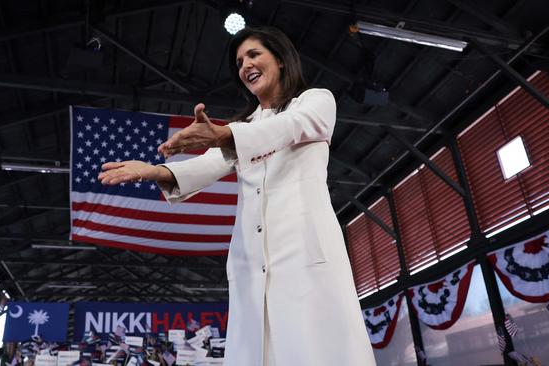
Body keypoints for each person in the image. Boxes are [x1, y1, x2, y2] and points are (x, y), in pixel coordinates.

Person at [99, 26, 375, 366]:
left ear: (282, 60)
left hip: (306, 257)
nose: (245, 65)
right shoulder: (241, 129)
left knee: (316, 351)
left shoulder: (316, 102)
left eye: (254, 55)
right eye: (239, 61)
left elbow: (287, 127)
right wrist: (155, 171)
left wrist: (224, 133)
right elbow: (209, 163)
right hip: (251, 266)